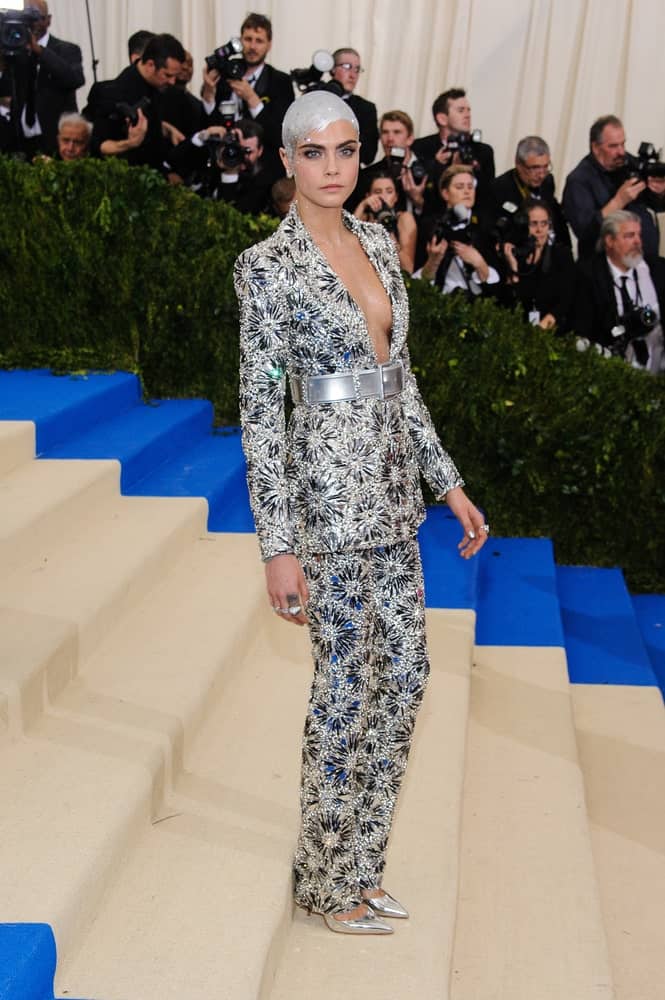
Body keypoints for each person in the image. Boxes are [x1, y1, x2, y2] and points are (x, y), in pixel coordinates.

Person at [233, 90, 488, 935]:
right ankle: (324, 880)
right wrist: (277, 544)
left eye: (345, 151)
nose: (333, 167)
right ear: (287, 160)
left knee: (406, 680)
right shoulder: (265, 269)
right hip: (323, 512)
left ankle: (362, 863)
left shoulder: (379, 242)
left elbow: (400, 384)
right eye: (314, 153)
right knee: (345, 692)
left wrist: (446, 485)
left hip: (391, 503)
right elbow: (261, 414)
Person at [201, 12, 293, 179]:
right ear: (240, 41)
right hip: (222, 166)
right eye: (248, 39)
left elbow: (281, 135)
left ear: (269, 45)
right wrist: (208, 94)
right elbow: (207, 123)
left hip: (263, 174)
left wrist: (252, 100)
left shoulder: (280, 81)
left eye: (259, 41)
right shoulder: (223, 74)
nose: (252, 46)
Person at [574, 210, 665, 372]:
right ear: (610, 240)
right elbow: (584, 330)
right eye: (629, 236)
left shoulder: (658, 269)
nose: (637, 241)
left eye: (639, 235)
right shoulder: (589, 275)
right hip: (610, 370)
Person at [563, 115, 665, 259]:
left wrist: (659, 192)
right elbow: (585, 233)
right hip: (603, 270)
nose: (621, 152)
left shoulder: (627, 163)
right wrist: (618, 202)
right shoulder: (579, 180)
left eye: (623, 144)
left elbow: (655, 204)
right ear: (596, 148)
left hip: (643, 262)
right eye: (613, 146)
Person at [89, 33, 185, 172]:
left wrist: (166, 129)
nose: (172, 82)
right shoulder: (112, 93)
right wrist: (130, 143)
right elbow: (98, 144)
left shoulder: (158, 87)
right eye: (168, 75)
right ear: (150, 65)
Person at [4, 0, 84, 157]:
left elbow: (74, 79)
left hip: (57, 141)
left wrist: (39, 51)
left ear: (48, 20)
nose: (31, 23)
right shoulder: (14, 50)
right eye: (25, 17)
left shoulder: (67, 49)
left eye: (36, 17)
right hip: (20, 142)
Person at [415, 164, 500, 298]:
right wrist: (433, 260)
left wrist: (479, 262)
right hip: (437, 299)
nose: (467, 192)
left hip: (476, 302)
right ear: (445, 193)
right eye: (460, 187)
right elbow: (419, 280)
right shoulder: (430, 226)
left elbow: (497, 287)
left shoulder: (486, 226)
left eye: (470, 187)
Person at [413, 88, 495, 213]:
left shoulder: (483, 151)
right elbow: (419, 190)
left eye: (468, 110)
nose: (467, 115)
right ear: (442, 119)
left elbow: (487, 195)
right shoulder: (421, 147)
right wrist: (437, 166)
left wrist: (468, 171)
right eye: (461, 111)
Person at [499, 198, 575, 331]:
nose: (539, 230)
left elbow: (566, 298)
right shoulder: (513, 254)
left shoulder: (561, 255)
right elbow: (509, 302)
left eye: (544, 224)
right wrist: (513, 268)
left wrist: (542, 328)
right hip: (517, 330)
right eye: (533, 224)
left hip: (552, 329)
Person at [491, 135, 570, 248]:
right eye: (535, 168)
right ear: (518, 164)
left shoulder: (547, 182)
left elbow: (557, 221)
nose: (542, 174)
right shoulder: (500, 188)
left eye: (545, 167)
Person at [353, 170, 418, 273]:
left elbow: (408, 268)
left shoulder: (404, 219)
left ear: (396, 197)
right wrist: (362, 205)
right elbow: (345, 247)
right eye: (378, 192)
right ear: (368, 196)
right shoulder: (363, 218)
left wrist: (390, 235)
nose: (383, 197)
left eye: (389, 191)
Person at [329, 47, 378, 165]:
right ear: (332, 69)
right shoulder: (315, 98)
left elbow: (369, 156)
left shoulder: (366, 108)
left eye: (357, 69)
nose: (353, 75)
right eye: (347, 67)